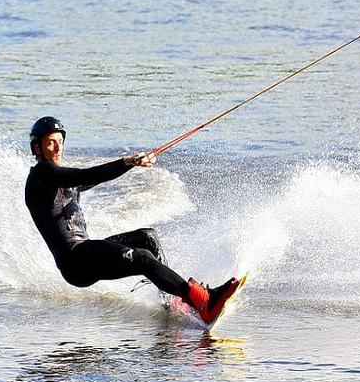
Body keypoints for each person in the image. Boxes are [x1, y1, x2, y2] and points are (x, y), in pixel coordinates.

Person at [24, 116, 239, 324]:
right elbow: (85, 175)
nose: (58, 148)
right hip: (75, 261)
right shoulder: (41, 175)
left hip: (87, 253)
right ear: (37, 148)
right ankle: (203, 303)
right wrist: (127, 162)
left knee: (148, 238)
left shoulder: (61, 178)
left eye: (60, 142)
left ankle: (173, 302)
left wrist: (134, 164)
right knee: (143, 258)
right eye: (51, 143)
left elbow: (92, 177)